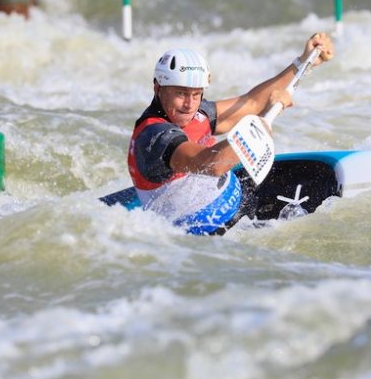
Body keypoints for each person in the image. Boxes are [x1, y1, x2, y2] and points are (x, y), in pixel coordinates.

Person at [128, 32, 334, 235]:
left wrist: (303, 63)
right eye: (181, 93)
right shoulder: (153, 137)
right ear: (158, 88)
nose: (189, 104)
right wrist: (257, 128)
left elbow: (252, 103)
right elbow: (213, 163)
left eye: (196, 94)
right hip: (210, 233)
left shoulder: (196, 113)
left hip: (240, 203)